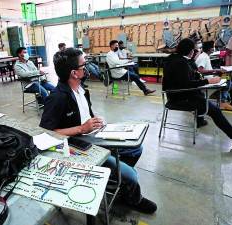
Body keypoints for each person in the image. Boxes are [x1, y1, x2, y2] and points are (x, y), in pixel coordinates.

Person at [40, 48, 157, 214]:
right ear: (74, 73)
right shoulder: (57, 97)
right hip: (79, 146)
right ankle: (131, 195)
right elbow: (47, 133)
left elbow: (86, 114)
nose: (87, 68)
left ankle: (116, 179)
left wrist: (95, 121)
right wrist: (81, 128)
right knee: (131, 175)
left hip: (93, 136)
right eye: (84, 65)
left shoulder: (82, 90)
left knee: (136, 148)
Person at [163, 38, 232, 149]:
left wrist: (195, 68)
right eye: (194, 50)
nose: (196, 52)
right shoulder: (179, 62)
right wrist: (208, 81)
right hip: (179, 99)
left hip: (180, 95)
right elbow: (185, 84)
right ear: (190, 50)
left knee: (206, 102)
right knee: (214, 110)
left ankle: (206, 123)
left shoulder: (178, 60)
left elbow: (186, 80)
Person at [195, 41, 232, 111]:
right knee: (229, 83)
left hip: (210, 77)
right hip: (208, 79)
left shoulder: (205, 56)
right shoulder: (204, 57)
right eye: (213, 47)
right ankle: (222, 102)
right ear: (210, 49)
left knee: (228, 78)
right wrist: (215, 70)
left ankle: (218, 96)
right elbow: (200, 70)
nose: (214, 48)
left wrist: (215, 71)